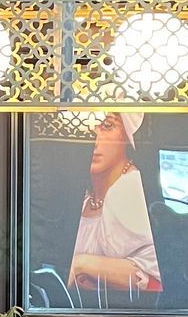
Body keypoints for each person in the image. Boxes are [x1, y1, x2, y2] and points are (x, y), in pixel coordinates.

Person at [68, 111, 161, 298]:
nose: (94, 140)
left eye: (107, 126)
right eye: (85, 128)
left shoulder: (129, 188)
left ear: (126, 136)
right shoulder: (84, 196)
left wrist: (81, 264)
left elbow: (152, 279)